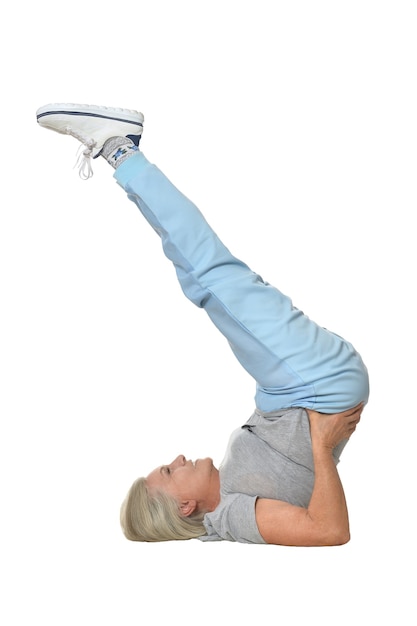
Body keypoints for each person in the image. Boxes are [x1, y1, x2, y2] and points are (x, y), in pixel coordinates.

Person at [36, 103, 369, 546]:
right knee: (211, 272)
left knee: (199, 277)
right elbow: (330, 532)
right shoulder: (229, 516)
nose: (176, 457)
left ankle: (122, 153)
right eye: (170, 472)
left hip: (298, 385)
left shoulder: (229, 494)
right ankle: (120, 149)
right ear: (185, 507)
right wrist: (322, 449)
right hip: (315, 384)